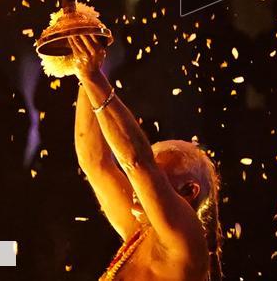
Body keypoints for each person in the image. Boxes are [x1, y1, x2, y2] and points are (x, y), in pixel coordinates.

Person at [66, 36, 221, 280]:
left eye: (157, 174)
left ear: (190, 190)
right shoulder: (141, 233)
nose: (136, 186)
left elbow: (137, 162)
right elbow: (95, 163)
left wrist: (93, 77)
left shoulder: (183, 240)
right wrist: (84, 70)